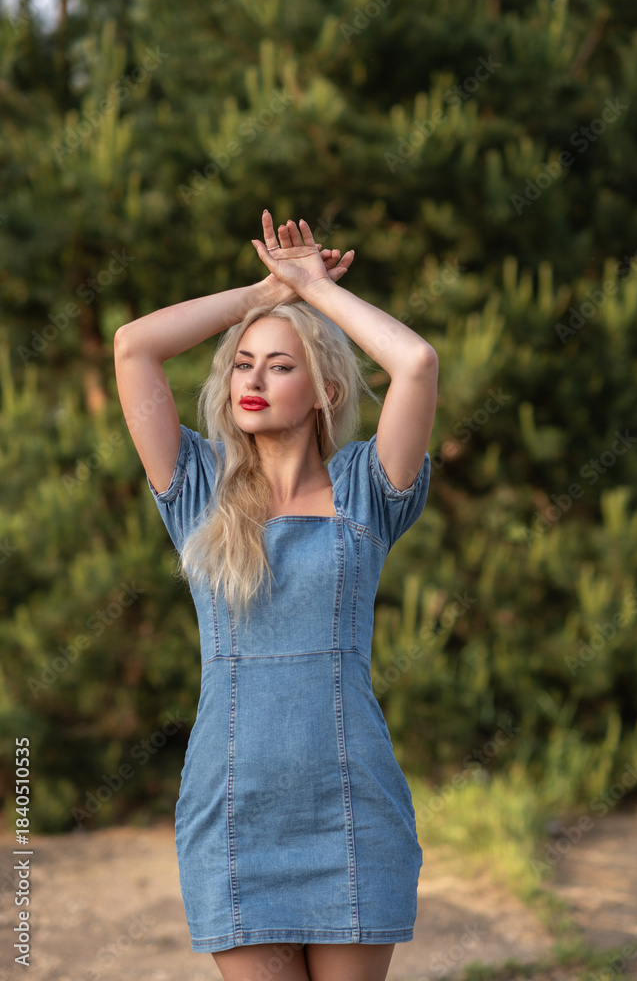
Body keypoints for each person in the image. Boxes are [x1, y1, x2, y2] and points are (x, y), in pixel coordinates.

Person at [114, 210, 439, 981]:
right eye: (242, 365)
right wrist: (265, 292)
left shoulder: (366, 489)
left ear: (325, 390)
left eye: (279, 366)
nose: (252, 381)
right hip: (233, 813)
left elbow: (416, 362)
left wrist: (314, 291)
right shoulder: (196, 487)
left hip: (351, 811)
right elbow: (133, 346)